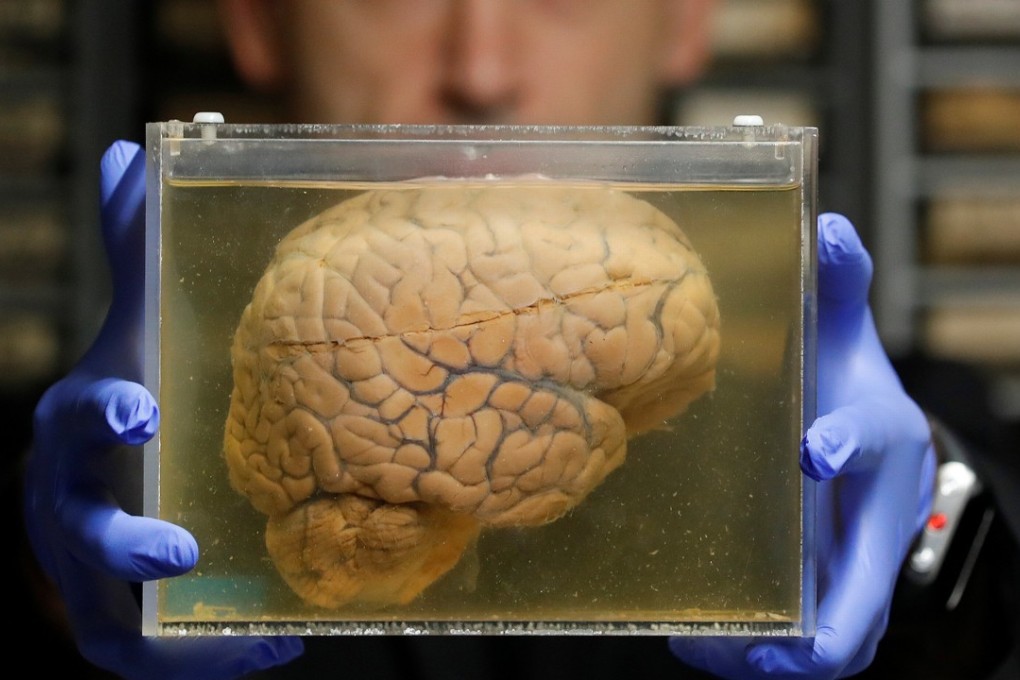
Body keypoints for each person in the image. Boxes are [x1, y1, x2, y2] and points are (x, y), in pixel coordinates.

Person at [23, 1, 1012, 678]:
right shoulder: (105, 450)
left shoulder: (896, 414)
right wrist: (56, 583)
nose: (482, 72)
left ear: (687, 19)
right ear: (255, 21)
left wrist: (936, 530)